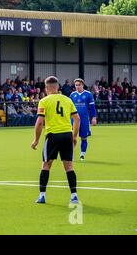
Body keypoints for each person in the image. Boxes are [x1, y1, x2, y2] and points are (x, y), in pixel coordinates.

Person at [31, 76, 80, 204]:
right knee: (69, 166)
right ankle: (74, 195)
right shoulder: (67, 100)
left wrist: (36, 140)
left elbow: (40, 121)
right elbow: (77, 119)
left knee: (46, 165)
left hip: (53, 136)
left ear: (47, 88)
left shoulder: (44, 101)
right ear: (58, 87)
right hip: (67, 135)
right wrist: (74, 137)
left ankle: (42, 196)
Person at [70, 78, 97, 161]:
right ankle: (71, 154)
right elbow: (69, 108)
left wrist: (94, 117)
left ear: (82, 85)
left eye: (79, 85)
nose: (77, 86)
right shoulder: (72, 95)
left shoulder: (88, 94)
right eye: (76, 85)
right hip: (73, 120)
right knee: (71, 137)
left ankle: (82, 155)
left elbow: (92, 107)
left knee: (84, 137)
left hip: (84, 119)